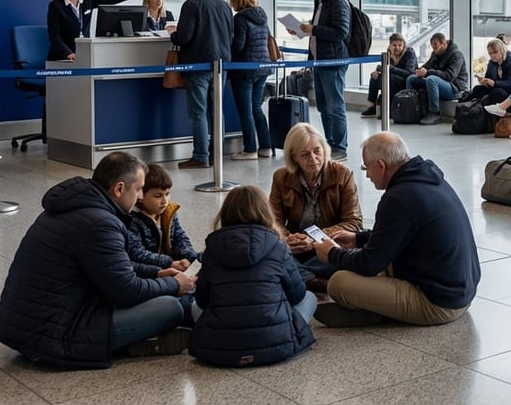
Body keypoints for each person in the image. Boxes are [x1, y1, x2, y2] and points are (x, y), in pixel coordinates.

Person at [0, 152, 196, 367]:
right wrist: (173, 284)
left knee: (173, 295)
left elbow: (112, 267)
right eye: (138, 189)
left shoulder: (77, 207)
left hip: (29, 327)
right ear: (119, 189)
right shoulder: (100, 223)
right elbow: (126, 291)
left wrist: (156, 274)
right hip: (55, 335)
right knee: (169, 308)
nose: (139, 197)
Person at [311, 132, 481, 327]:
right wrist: (359, 239)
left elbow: (370, 263)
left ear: (381, 165)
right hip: (462, 292)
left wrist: (332, 254)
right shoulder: (426, 177)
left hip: (438, 303)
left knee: (339, 283)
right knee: (375, 261)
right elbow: (402, 231)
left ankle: (377, 313)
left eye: (367, 168)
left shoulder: (398, 198)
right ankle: (376, 307)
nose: (366, 174)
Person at [189, 185, 316, 367]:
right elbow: (297, 295)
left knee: (194, 306)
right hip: (276, 345)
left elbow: (201, 300)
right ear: (265, 212)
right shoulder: (278, 246)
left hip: (218, 348)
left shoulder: (212, 249)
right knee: (309, 298)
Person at [269, 123, 363, 292]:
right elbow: (273, 220)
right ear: (293, 157)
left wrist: (314, 239)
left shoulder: (342, 174)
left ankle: (298, 277)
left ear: (324, 150)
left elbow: (353, 222)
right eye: (305, 154)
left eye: (317, 151)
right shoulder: (281, 177)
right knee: (270, 252)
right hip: (296, 247)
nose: (313, 158)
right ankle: (313, 280)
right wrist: (287, 240)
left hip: (329, 245)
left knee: (355, 254)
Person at [169, 0, 234, 169]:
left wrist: (173, 34)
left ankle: (200, 156)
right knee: (217, 112)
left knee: (198, 112)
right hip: (221, 65)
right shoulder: (224, 5)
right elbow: (230, 35)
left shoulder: (192, 4)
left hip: (198, 64)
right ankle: (217, 155)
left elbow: (185, 36)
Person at [295, 0, 351, 161]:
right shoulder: (321, 1)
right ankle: (329, 144)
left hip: (333, 61)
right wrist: (305, 30)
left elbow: (340, 32)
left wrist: (314, 29)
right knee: (324, 107)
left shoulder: (337, 0)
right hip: (320, 61)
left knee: (335, 106)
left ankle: (339, 147)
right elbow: (321, 30)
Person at [46, 0, 152, 61]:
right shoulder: (56, 6)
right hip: (63, 57)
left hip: (84, 53)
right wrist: (68, 53)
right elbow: (54, 36)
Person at [227, 0, 273, 160]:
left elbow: (238, 46)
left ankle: (250, 149)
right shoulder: (262, 16)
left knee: (245, 110)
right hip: (262, 68)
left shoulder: (240, 19)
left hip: (244, 69)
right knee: (256, 108)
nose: (230, 3)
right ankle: (266, 147)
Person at [128, 164, 200, 272]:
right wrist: (169, 263)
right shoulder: (131, 219)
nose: (165, 201)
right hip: (146, 272)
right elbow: (137, 253)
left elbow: (179, 236)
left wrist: (188, 256)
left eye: (167, 194)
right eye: (158, 196)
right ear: (140, 195)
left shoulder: (168, 210)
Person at [406, 32, 468, 126]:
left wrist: (428, 72)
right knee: (411, 79)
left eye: (435, 45)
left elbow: (449, 76)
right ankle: (413, 109)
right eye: (432, 45)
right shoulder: (435, 54)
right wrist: (419, 71)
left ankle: (434, 113)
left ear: (444, 43)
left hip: (454, 88)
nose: (433, 48)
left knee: (431, 79)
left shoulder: (456, 55)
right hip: (439, 84)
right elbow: (426, 66)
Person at [361, 33, 418, 117]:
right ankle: (372, 106)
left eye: (400, 45)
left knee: (390, 79)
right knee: (374, 77)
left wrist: (389, 68)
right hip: (392, 78)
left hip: (406, 80)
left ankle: (389, 108)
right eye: (394, 45)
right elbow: (387, 69)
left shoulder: (409, 53)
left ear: (403, 45)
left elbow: (409, 72)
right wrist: (378, 72)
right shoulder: (388, 53)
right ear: (390, 45)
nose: (397, 48)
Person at [467, 38, 511, 105]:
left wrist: (495, 83)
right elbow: (489, 78)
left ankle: (485, 104)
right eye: (490, 53)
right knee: (477, 89)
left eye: (495, 52)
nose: (492, 55)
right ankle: (482, 104)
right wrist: (485, 82)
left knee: (496, 92)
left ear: (502, 50)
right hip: (498, 89)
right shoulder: (492, 62)